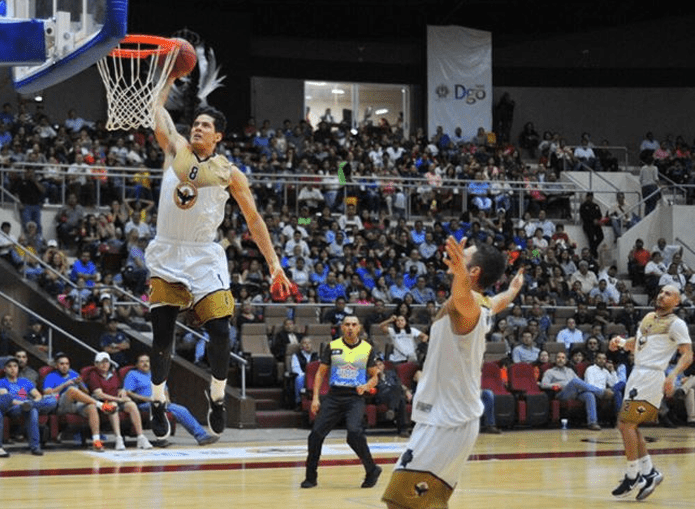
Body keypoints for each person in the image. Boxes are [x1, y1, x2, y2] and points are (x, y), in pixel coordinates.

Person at [142, 81, 294, 443]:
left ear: (218, 137)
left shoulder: (230, 173)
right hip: (167, 252)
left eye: (205, 125)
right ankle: (158, 400)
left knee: (221, 332)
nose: (197, 127)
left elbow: (254, 220)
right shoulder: (174, 148)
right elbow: (156, 112)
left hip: (203, 255)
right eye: (195, 123)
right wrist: (166, 77)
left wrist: (274, 263)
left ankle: (217, 396)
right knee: (162, 333)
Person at [382, 237, 524, 509]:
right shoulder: (482, 304)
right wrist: (513, 290)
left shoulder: (467, 308)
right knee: (418, 501)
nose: (455, 259)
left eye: (463, 257)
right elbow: (498, 301)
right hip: (445, 417)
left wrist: (459, 277)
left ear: (473, 272)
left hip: (450, 421)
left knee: (404, 502)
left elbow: (461, 296)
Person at [608, 284, 692, 500]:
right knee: (631, 426)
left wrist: (672, 376)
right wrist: (620, 343)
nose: (662, 296)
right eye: (662, 292)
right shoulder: (648, 318)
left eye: (669, 294)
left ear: (677, 302)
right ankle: (649, 472)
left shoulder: (677, 324)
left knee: (625, 424)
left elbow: (687, 355)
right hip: (637, 373)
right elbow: (637, 344)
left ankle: (632, 474)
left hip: (652, 376)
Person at [302, 314, 380, 489]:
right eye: (347, 325)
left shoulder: (367, 348)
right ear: (342, 328)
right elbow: (320, 373)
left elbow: (375, 376)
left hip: (355, 397)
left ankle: (372, 470)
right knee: (315, 436)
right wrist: (315, 398)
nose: (350, 328)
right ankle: (310, 477)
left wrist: (367, 385)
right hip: (334, 396)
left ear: (359, 328)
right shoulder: (332, 346)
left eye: (354, 324)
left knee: (354, 433)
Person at [123, 353, 219, 446]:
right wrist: (147, 399)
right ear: (137, 364)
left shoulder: (155, 374)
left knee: (181, 409)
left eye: (147, 361)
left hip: (161, 402)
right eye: (142, 362)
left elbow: (165, 389)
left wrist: (167, 399)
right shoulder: (133, 374)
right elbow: (128, 392)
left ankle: (201, 436)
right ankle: (201, 436)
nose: (145, 364)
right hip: (144, 404)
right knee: (179, 410)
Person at [83, 352, 152, 450]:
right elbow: (99, 394)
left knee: (132, 405)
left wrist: (122, 391)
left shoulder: (114, 373)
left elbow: (119, 388)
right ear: (96, 364)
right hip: (103, 403)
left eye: (106, 362)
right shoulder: (93, 375)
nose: (104, 365)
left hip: (117, 399)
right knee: (113, 405)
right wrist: (119, 399)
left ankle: (140, 437)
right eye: (101, 362)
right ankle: (118, 438)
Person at [540, 352, 606, 431]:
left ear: (566, 360)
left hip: (575, 392)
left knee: (589, 395)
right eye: (558, 357)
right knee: (575, 381)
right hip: (562, 393)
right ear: (555, 360)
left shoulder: (570, 371)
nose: (560, 359)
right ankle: (601, 392)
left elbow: (579, 382)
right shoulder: (549, 372)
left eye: (563, 358)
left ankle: (592, 423)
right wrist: (555, 385)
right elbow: (543, 384)